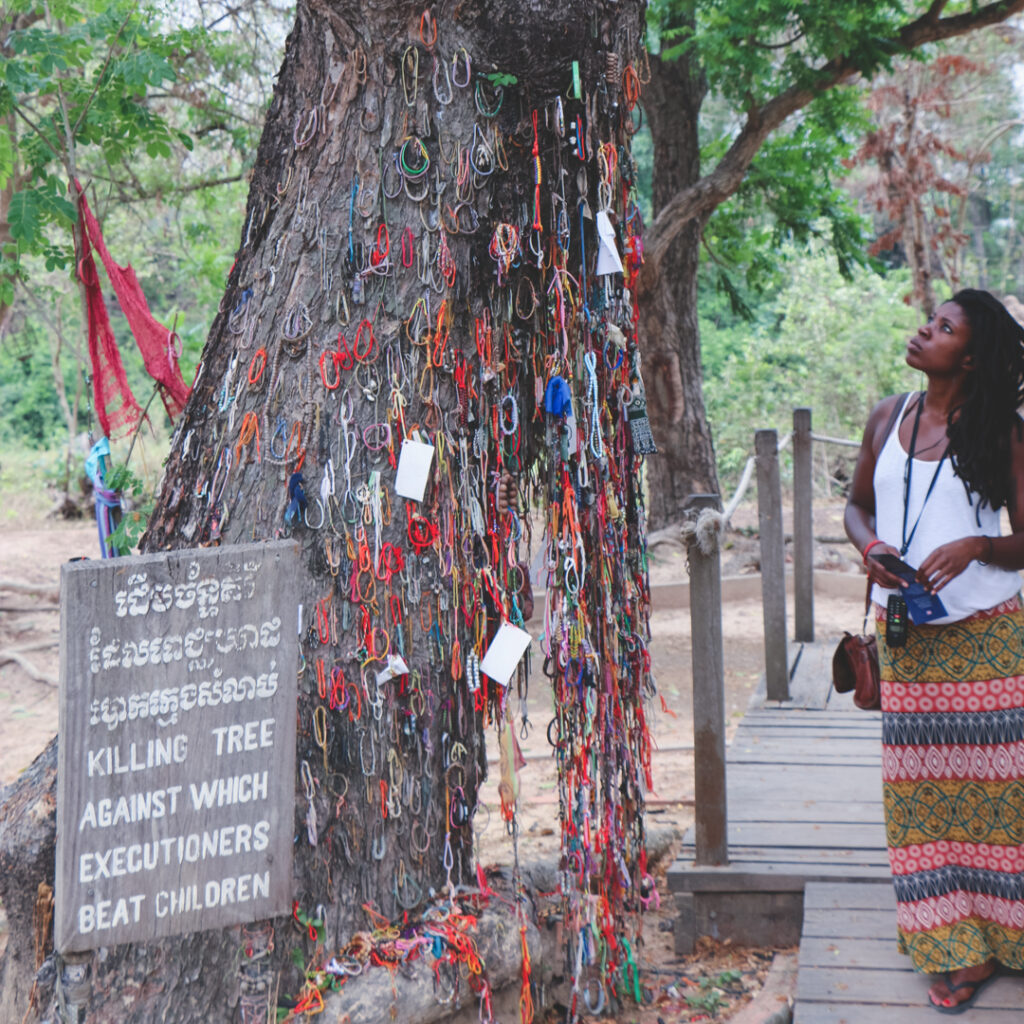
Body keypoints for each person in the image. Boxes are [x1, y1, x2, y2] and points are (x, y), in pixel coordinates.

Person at [844, 289, 1024, 1013]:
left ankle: (1004, 940)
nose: (926, 329)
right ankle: (948, 947)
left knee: (1000, 802)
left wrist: (980, 544)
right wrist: (873, 545)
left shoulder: (1003, 433)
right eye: (932, 319)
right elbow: (856, 505)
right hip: (908, 647)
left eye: (945, 328)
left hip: (987, 644)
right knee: (919, 805)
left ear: (972, 357)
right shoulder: (890, 416)